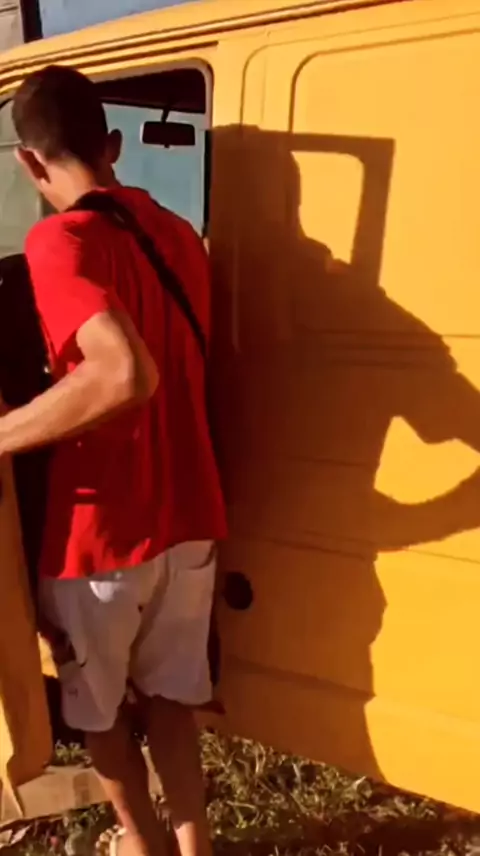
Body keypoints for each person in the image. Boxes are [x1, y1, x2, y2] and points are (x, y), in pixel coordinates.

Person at [4, 64, 227, 856]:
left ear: (28, 162)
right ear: (116, 145)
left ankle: (143, 844)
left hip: (100, 535)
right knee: (171, 702)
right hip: (190, 512)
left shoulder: (57, 239)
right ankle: (194, 849)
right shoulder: (178, 235)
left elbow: (123, 373)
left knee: (98, 716)